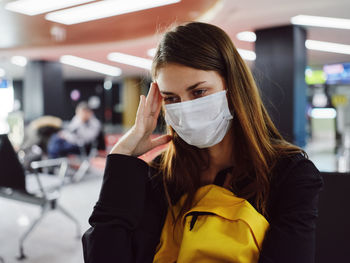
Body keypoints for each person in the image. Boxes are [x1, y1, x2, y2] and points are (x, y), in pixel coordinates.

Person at [82, 22, 323, 263]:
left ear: (232, 87)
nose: (185, 108)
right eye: (171, 98)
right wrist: (121, 160)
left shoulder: (289, 174)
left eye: (198, 92)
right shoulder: (161, 174)